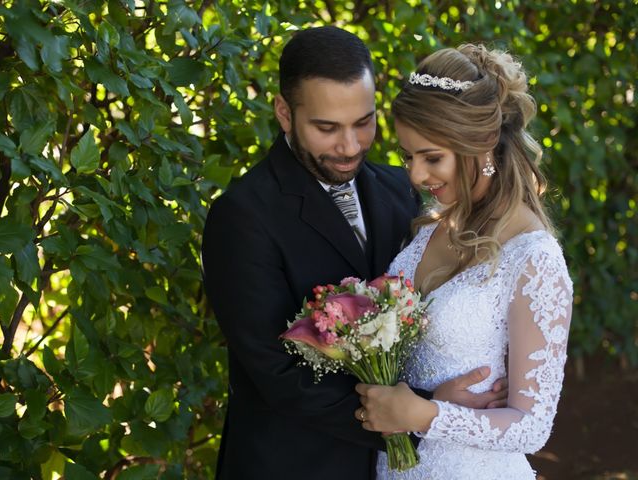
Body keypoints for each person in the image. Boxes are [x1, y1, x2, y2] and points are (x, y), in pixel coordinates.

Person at [202, 28, 507, 480]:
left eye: (363, 122)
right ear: (285, 113)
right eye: (327, 128)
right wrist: (419, 412)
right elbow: (281, 374)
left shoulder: (401, 191)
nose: (349, 146)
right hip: (296, 466)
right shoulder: (242, 216)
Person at [354, 44, 574, 479]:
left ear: (480, 145)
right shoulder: (430, 227)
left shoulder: (535, 259)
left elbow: (531, 427)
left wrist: (424, 415)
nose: (415, 176)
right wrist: (428, 399)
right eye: (408, 157)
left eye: (432, 157)